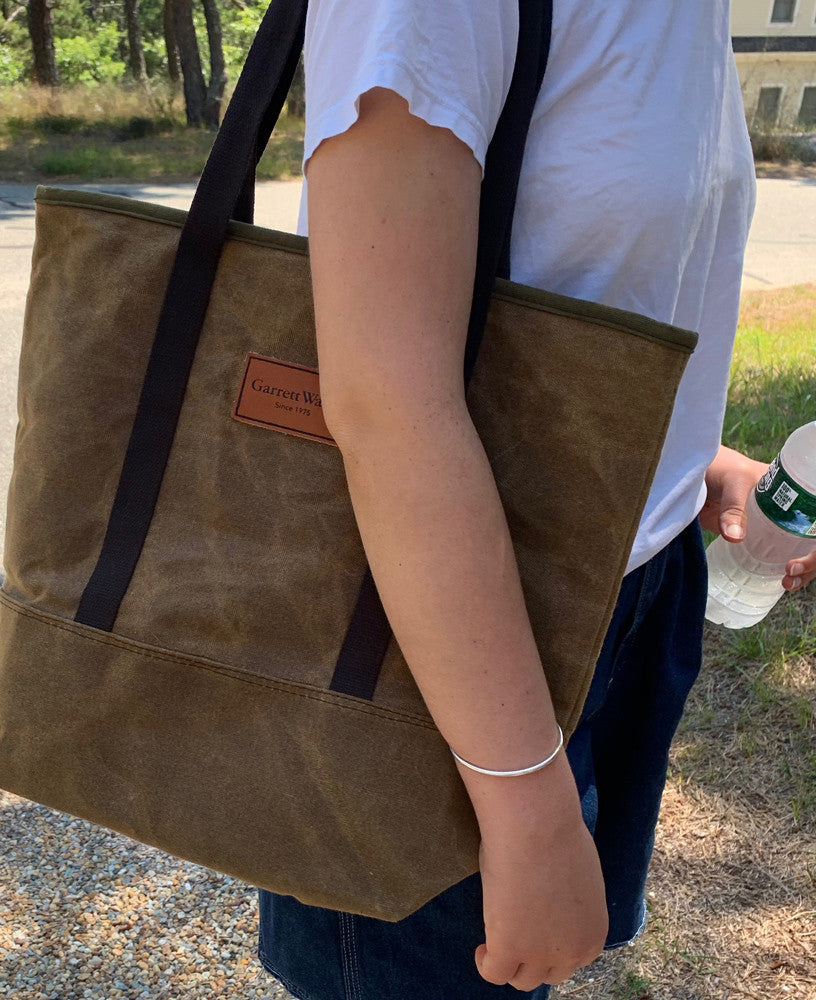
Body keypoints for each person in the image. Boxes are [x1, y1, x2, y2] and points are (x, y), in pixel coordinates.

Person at [253, 1, 816, 998]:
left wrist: (689, 462)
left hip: (621, 591)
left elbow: (569, 271)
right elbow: (385, 404)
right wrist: (523, 805)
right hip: (435, 656)